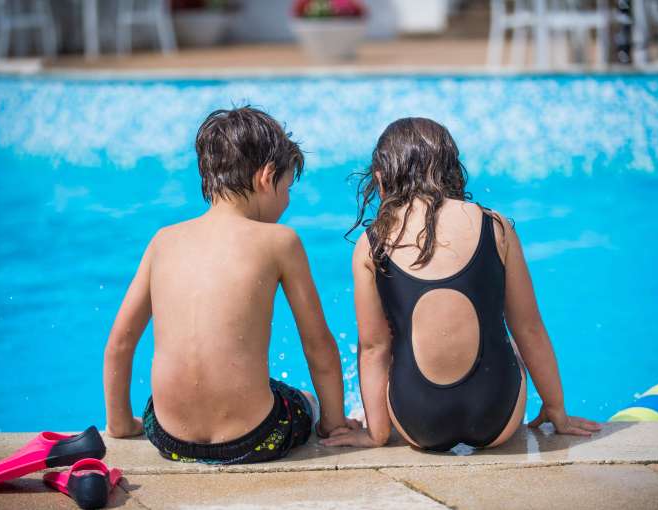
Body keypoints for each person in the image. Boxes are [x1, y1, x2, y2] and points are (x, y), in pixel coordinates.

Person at [322, 117, 602, 450]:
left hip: (419, 421)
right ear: (451, 171)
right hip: (497, 417)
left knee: (400, 342)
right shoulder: (494, 226)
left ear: (381, 180)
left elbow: (373, 349)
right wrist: (557, 410)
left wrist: (377, 434)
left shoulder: (373, 242)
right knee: (509, 340)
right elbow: (528, 327)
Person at [103, 106, 356, 464]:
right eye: (287, 188)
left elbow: (120, 343)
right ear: (267, 177)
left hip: (169, 437)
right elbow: (318, 346)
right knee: (305, 401)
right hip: (253, 439)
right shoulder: (280, 241)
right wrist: (333, 423)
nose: (287, 201)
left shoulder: (164, 240)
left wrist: (119, 424)